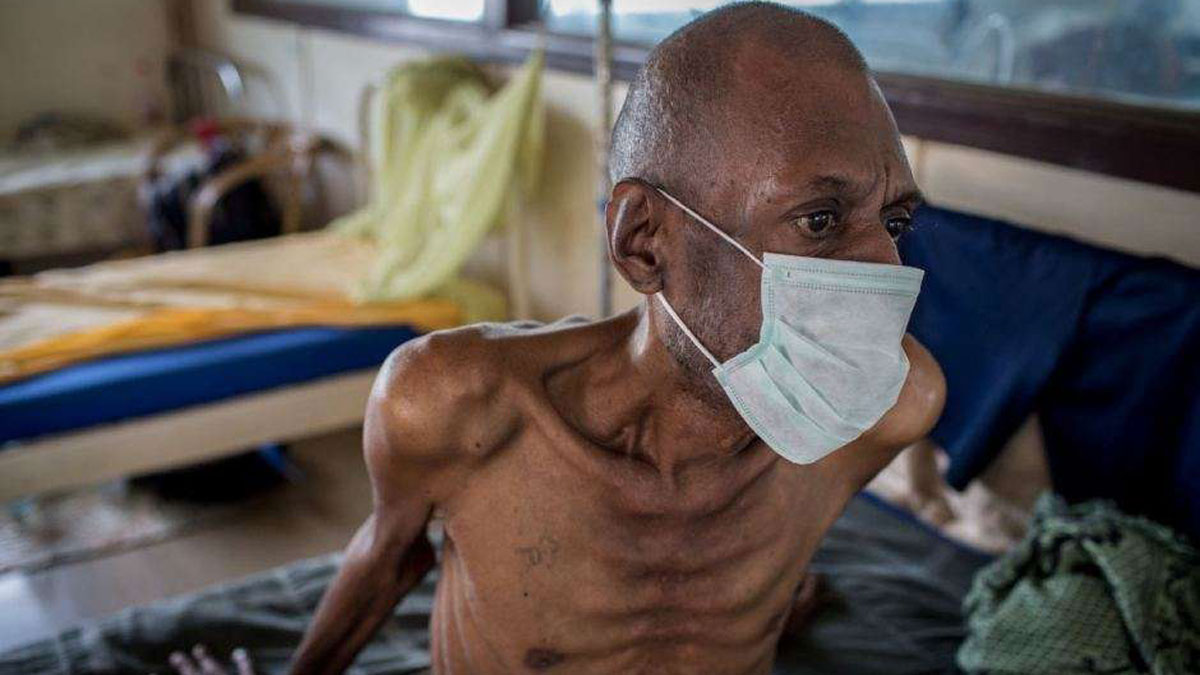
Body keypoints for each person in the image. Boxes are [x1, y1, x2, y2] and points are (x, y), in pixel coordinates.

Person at [172, 2, 945, 673]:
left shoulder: (885, 406)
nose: (886, 266)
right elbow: (390, 553)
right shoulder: (456, 404)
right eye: (819, 220)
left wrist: (769, 597)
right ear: (645, 242)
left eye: (896, 221)